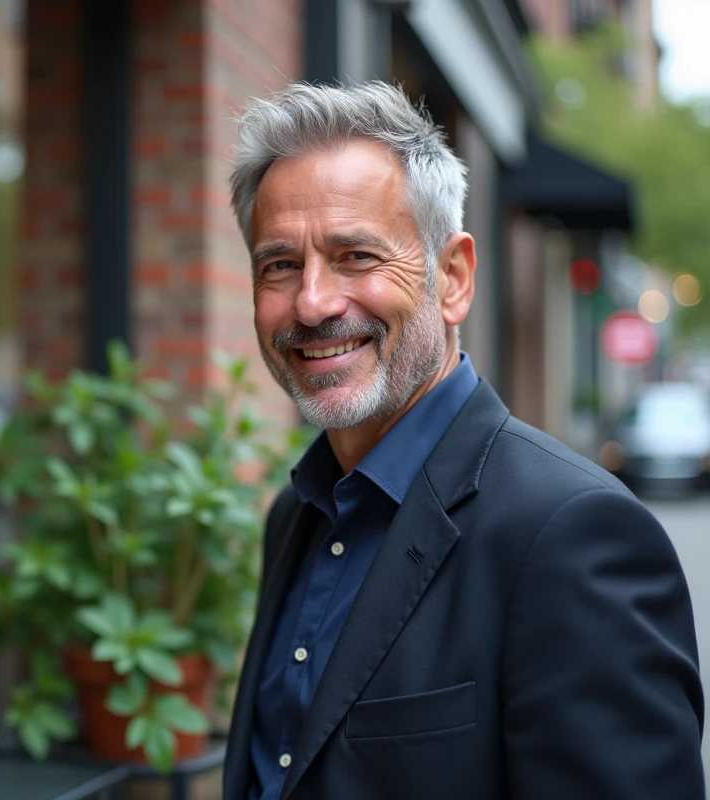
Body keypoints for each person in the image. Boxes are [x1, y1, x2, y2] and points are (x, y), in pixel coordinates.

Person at [221, 81, 704, 800]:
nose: (312, 302)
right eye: (280, 265)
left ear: (452, 279)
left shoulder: (571, 535)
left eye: (356, 256)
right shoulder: (295, 516)